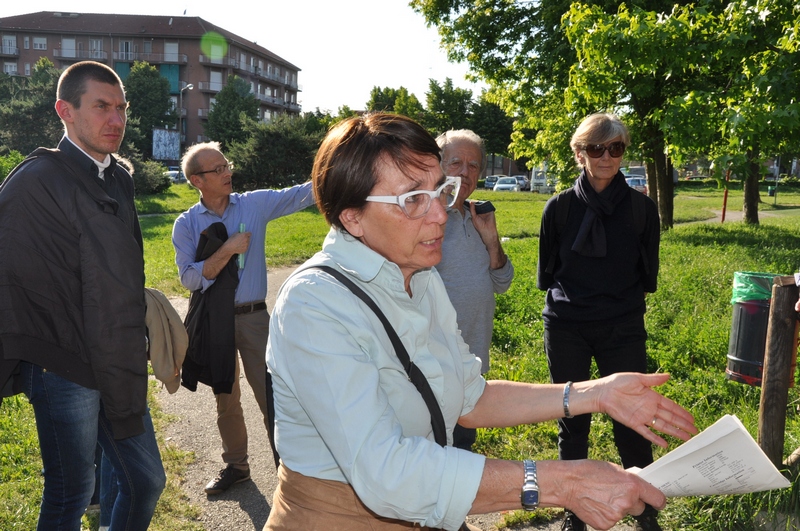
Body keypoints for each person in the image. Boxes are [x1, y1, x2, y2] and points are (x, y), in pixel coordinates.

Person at [264, 112, 696, 531]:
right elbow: (388, 474)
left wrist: (596, 392)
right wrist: (565, 482)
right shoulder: (314, 304)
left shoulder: (422, 276)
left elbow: (471, 399)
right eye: (412, 199)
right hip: (335, 517)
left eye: (440, 190)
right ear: (351, 217)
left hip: (423, 508)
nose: (439, 213)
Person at [0, 61, 165, 530]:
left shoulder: (119, 178)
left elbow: (125, 268)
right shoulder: (36, 180)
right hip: (64, 365)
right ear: (65, 111)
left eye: (121, 108)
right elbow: (13, 273)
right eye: (101, 107)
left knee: (146, 480)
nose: (116, 120)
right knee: (71, 492)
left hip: (116, 357)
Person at [536, 113, 662, 531]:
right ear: (579, 154)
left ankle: (644, 508)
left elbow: (648, 274)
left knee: (632, 419)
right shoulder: (559, 208)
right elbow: (547, 272)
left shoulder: (643, 210)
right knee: (573, 421)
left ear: (624, 152)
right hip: (567, 325)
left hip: (622, 327)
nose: (606, 156)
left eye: (616, 148)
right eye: (596, 148)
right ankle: (575, 508)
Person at [172, 141, 314, 494]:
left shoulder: (254, 204)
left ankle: (290, 472)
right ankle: (236, 467)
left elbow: (302, 194)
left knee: (273, 397)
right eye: (217, 170)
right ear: (196, 181)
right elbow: (190, 279)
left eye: (226, 165)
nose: (227, 173)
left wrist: (343, 161)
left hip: (254, 318)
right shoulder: (186, 223)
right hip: (213, 321)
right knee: (226, 398)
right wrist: (228, 249)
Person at [435, 129, 514, 450]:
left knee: (462, 446)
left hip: (471, 364)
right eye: (455, 163)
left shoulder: (476, 215)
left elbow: (503, 283)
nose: (464, 173)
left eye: (473, 166)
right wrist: (436, 210)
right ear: (437, 166)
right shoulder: (420, 217)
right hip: (431, 367)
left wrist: (491, 240)